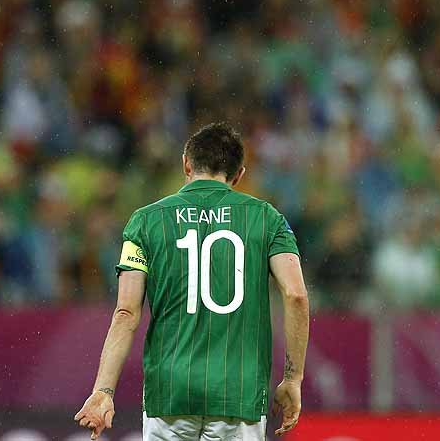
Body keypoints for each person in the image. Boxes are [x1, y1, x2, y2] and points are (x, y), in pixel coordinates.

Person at [74, 122, 310, 440]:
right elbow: (296, 295)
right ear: (239, 175)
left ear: (186, 164)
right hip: (237, 392)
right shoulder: (267, 219)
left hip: (170, 393)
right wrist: (292, 378)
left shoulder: (145, 222)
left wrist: (103, 391)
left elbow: (126, 313)